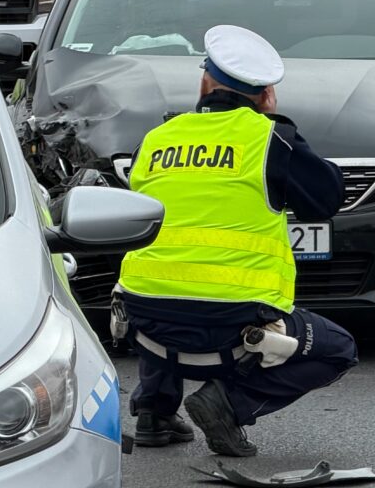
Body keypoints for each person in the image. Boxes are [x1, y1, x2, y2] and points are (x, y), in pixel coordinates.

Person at [115, 24, 357, 457]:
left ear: (204, 83)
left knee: (168, 277)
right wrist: (280, 129)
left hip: (143, 324)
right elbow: (326, 199)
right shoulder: (269, 139)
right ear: (266, 96)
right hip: (233, 331)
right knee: (339, 348)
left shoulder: (156, 139)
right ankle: (227, 403)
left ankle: (153, 411)